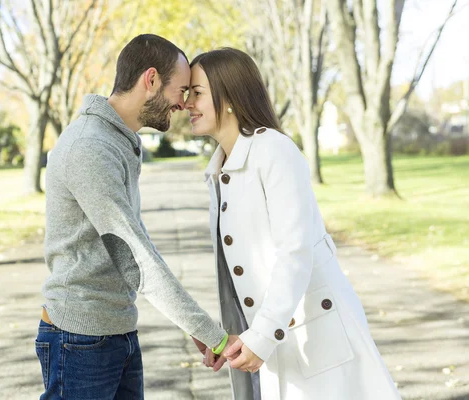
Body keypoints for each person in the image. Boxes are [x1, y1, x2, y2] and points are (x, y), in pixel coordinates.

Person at [185, 48, 401, 400]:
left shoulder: (273, 151)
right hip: (278, 339)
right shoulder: (221, 170)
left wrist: (263, 334)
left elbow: (295, 252)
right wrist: (227, 336)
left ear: (229, 97)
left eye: (196, 93)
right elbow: (240, 271)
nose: (186, 104)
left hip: (317, 338)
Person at [35, 34, 236, 400]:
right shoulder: (90, 147)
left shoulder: (118, 141)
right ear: (151, 80)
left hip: (116, 331)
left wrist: (188, 321)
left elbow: (138, 240)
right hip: (79, 339)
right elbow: (134, 258)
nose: (185, 102)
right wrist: (211, 333)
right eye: (183, 89)